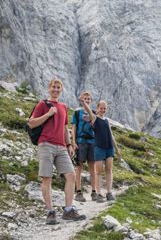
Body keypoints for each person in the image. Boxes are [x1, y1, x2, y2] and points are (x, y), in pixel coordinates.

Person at [28, 78, 86, 224]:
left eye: (58, 87)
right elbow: (31, 123)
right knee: (47, 177)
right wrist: (48, 114)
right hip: (46, 144)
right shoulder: (43, 104)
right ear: (49, 88)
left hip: (61, 147)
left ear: (61, 89)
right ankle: (50, 212)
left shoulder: (63, 107)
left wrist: (69, 145)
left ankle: (68, 210)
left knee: (71, 175)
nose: (55, 89)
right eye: (53, 87)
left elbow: (65, 128)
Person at [81, 99, 121, 202]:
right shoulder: (94, 118)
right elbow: (89, 111)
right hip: (99, 147)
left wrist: (116, 149)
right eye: (101, 108)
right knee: (98, 171)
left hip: (109, 148)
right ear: (97, 108)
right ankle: (98, 194)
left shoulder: (107, 121)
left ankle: (109, 192)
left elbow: (111, 135)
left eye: (104, 108)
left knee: (109, 170)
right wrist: (84, 103)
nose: (103, 110)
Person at [71, 91, 97, 202]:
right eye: (85, 98)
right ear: (81, 100)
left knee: (92, 166)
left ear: (91, 101)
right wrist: (73, 141)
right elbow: (73, 127)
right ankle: (78, 191)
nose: (87, 100)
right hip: (80, 141)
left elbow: (95, 125)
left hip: (92, 142)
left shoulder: (94, 113)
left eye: (88, 99)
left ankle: (94, 191)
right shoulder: (77, 113)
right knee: (79, 166)